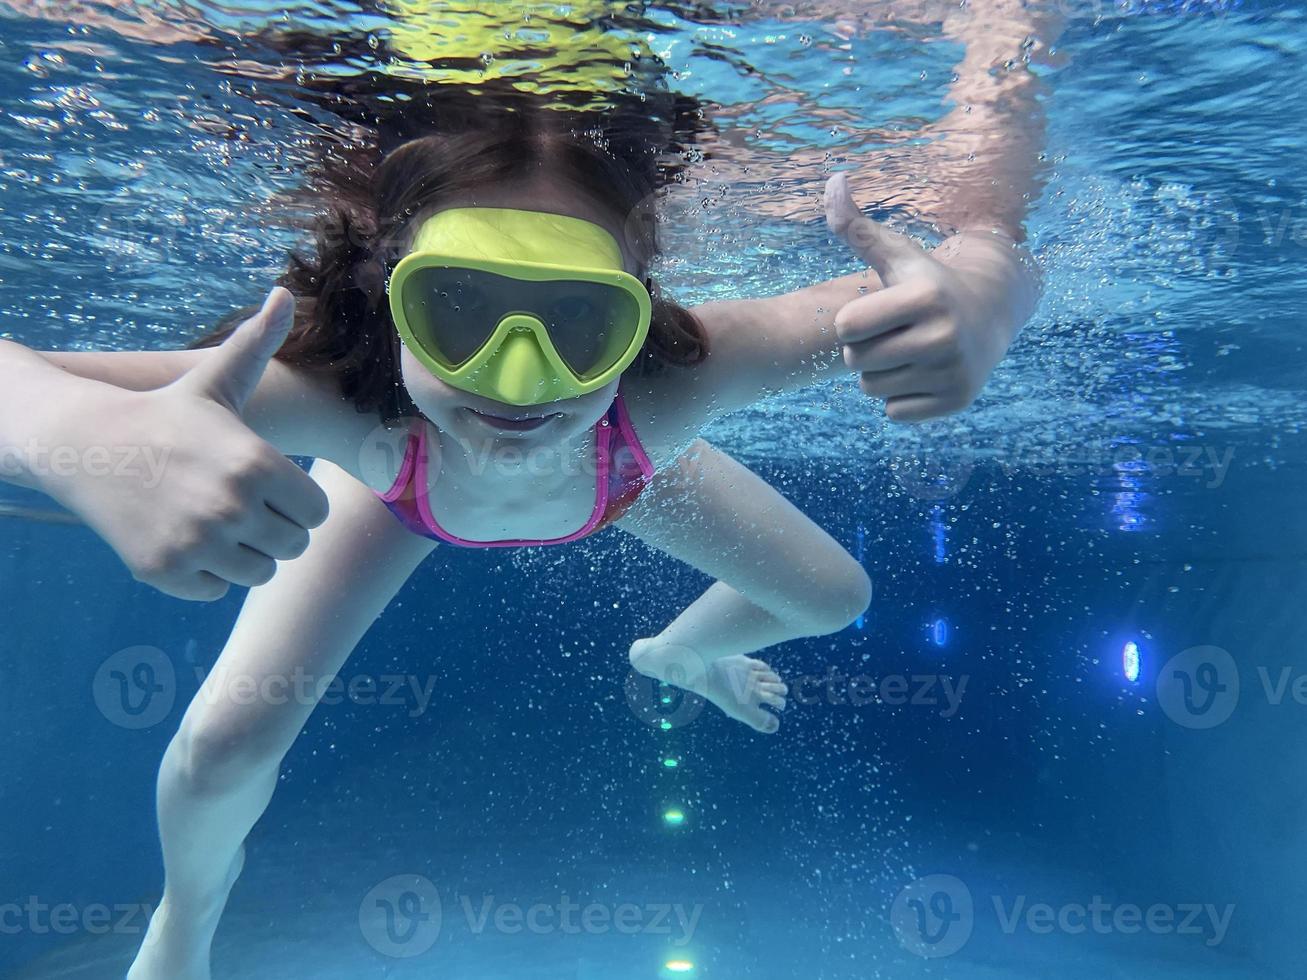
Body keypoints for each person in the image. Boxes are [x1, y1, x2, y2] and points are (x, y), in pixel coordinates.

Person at [0, 3, 1050, 977]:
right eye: (457, 308)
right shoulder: (339, 401)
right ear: (386, 293)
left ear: (637, 306)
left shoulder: (685, 372)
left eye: (579, 322)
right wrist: (73, 431)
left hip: (618, 471)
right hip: (392, 491)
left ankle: (678, 651)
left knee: (831, 597)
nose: (516, 383)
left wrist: (984, 284)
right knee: (223, 745)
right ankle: (187, 914)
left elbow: (931, 277)